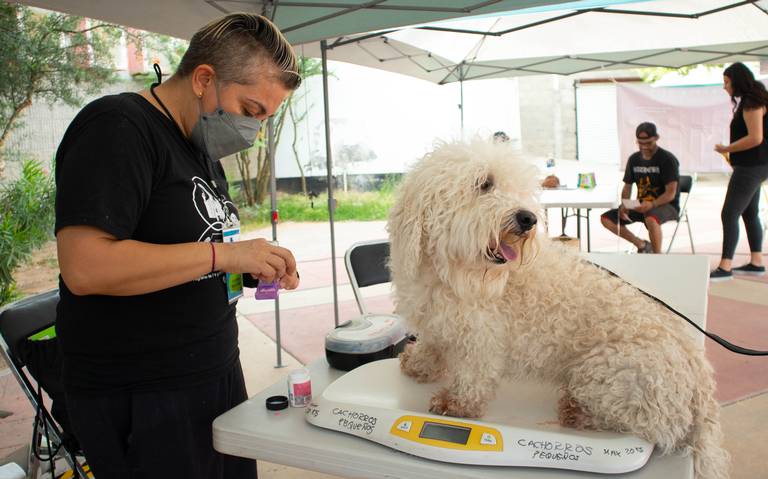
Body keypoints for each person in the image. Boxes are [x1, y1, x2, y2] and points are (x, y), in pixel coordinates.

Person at [54, 14, 301, 478]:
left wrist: (249, 266)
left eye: (265, 119)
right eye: (251, 111)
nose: (254, 131)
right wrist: (225, 255)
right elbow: (85, 267)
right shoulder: (117, 128)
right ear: (204, 79)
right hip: (145, 394)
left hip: (213, 374)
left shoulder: (201, 149)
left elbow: (194, 250)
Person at [710, 62, 768, 281]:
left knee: (729, 213)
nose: (725, 87)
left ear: (737, 81)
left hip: (751, 167)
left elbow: (756, 138)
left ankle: (725, 266)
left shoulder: (752, 103)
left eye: (726, 82)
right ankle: (756, 262)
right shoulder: (753, 99)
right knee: (749, 212)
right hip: (756, 166)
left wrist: (727, 148)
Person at [600, 122, 680, 254]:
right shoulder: (634, 159)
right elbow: (627, 186)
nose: (644, 147)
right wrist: (624, 204)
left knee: (650, 218)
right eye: (640, 143)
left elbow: (670, 193)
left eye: (648, 143)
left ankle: (656, 256)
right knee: (607, 219)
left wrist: (652, 204)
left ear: (656, 138)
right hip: (641, 203)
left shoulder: (667, 159)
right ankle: (641, 245)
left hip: (666, 204)